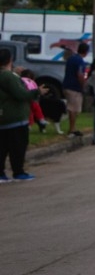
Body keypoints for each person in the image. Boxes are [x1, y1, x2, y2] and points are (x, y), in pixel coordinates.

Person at [0, 49, 48, 182]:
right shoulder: (8, 76)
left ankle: (1, 173)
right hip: (15, 117)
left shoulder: (7, 75)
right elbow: (20, 94)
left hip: (3, 116)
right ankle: (18, 172)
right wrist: (36, 92)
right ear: (9, 60)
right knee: (18, 146)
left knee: (3, 147)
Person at [62, 42, 89, 137]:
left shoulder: (71, 59)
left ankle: (73, 128)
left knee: (73, 108)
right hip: (74, 88)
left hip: (66, 85)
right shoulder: (80, 62)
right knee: (74, 109)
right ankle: (72, 129)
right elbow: (80, 75)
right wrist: (83, 85)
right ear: (86, 52)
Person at [18, 68, 49, 134]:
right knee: (36, 109)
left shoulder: (20, 80)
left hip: (26, 100)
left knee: (30, 113)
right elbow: (36, 91)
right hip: (32, 99)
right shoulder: (32, 82)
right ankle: (41, 120)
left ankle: (29, 125)